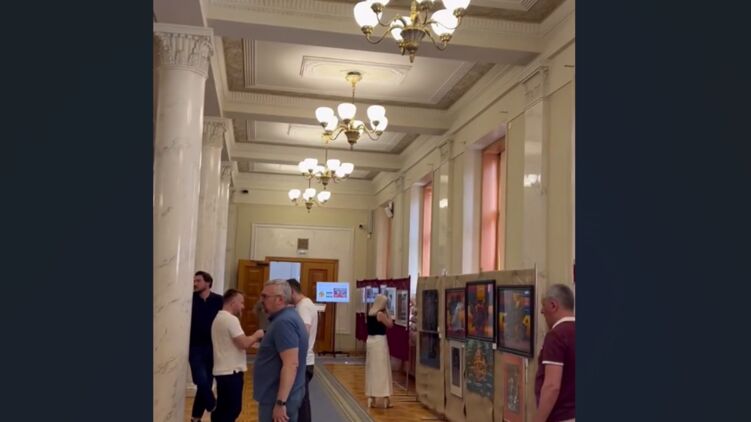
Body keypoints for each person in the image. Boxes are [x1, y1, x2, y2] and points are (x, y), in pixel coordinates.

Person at [253, 279, 309, 422]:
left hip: (277, 398)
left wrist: (280, 403)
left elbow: (291, 364)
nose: (261, 300)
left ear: (280, 299)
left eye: (265, 296)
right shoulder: (285, 318)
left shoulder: (284, 322)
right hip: (277, 395)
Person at [210, 289, 265, 422]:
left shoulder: (219, 317)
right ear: (233, 302)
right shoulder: (231, 319)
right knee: (233, 408)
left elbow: (232, 342)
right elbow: (243, 343)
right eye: (241, 302)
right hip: (231, 371)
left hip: (223, 370)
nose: (243, 306)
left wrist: (252, 343)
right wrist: (257, 335)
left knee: (222, 407)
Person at [533, 284, 576, 422]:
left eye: (543, 305)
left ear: (553, 305)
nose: (541, 311)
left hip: (562, 416)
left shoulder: (556, 336)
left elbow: (552, 387)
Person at [189, 271, 224, 422]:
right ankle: (212, 404)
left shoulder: (219, 300)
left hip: (213, 346)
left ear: (208, 282)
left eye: (198, 280)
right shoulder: (190, 299)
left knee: (206, 384)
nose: (195, 283)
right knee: (200, 379)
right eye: (194, 281)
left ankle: (195, 418)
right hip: (194, 346)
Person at [286, 278, 318, 422]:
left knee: (300, 403)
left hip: (302, 360)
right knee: (300, 401)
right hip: (304, 359)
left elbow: (303, 333)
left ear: (292, 291)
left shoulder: (303, 306)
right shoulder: (304, 304)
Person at [365, 294, 394, 409]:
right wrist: (388, 313)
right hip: (379, 342)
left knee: (372, 368)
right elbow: (390, 324)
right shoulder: (380, 314)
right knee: (382, 369)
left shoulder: (370, 312)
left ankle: (371, 395)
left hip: (370, 341)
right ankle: (384, 395)